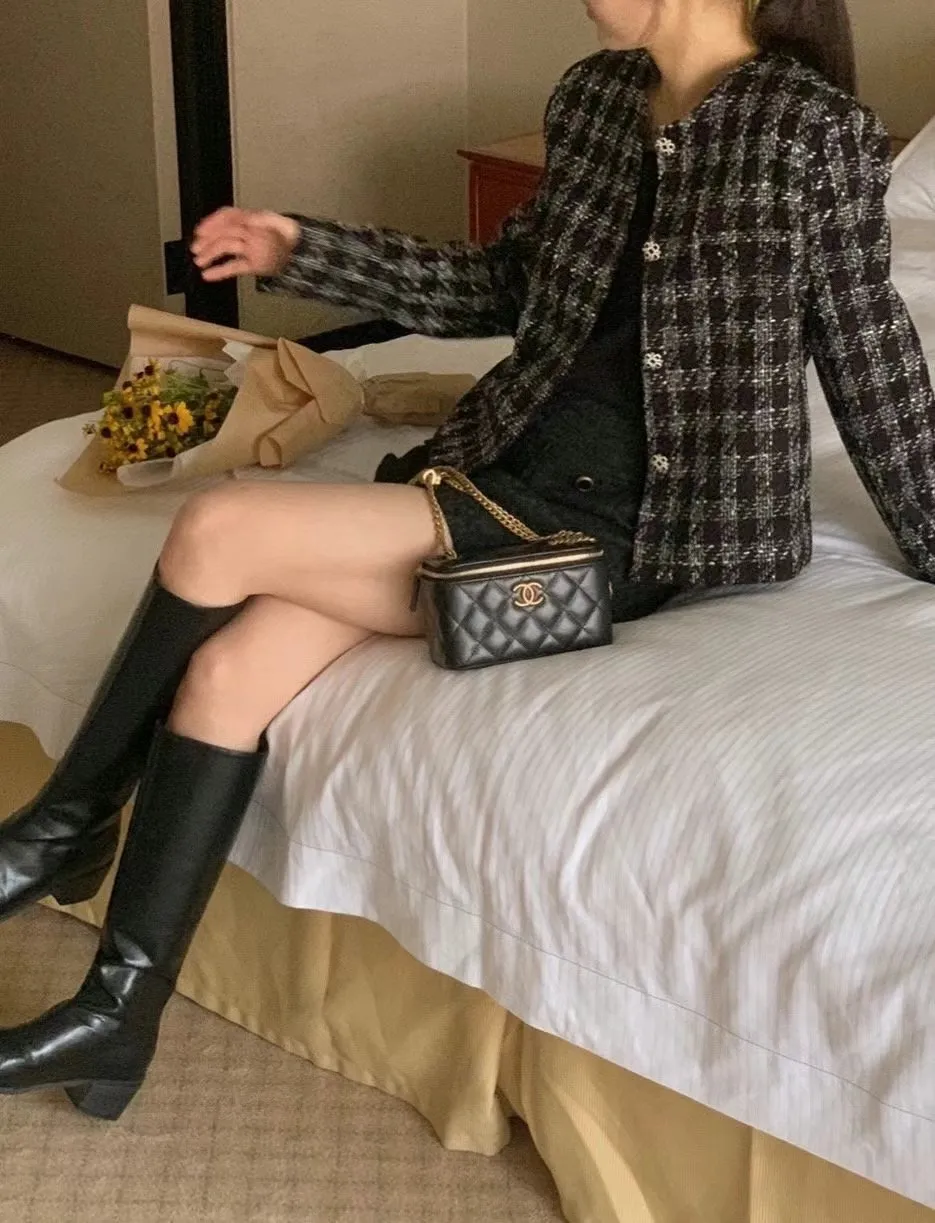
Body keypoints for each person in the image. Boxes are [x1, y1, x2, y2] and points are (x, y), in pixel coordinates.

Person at [1, 0, 933, 1121]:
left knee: (221, 527)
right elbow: (502, 286)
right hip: (496, 468)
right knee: (226, 673)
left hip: (634, 529)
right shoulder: (594, 99)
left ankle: (61, 827)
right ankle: (118, 1015)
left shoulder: (807, 130)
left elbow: (868, 350)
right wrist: (305, 249)